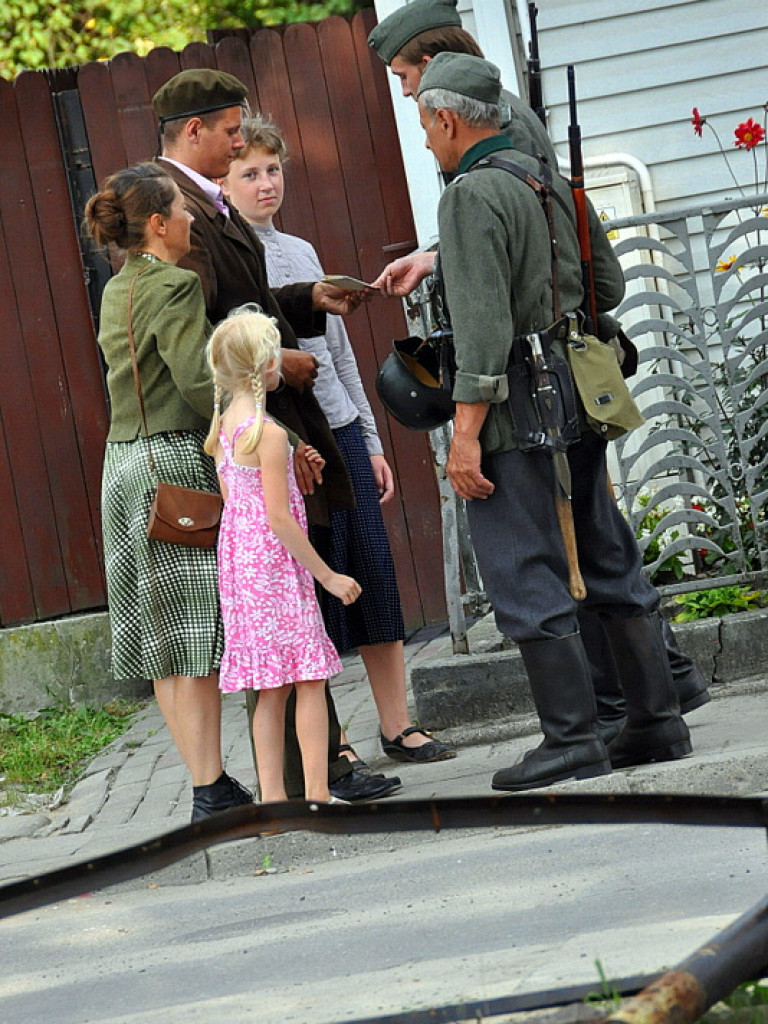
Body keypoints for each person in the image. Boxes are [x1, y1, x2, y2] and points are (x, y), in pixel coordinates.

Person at [368, 0, 709, 737]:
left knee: (532, 560)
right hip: (571, 374)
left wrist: (465, 429)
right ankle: (653, 709)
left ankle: (586, 728)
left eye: (409, 87)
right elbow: (599, 280)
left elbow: (492, 316)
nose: (415, 123)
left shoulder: (483, 172)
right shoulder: (533, 166)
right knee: (598, 542)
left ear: (447, 107)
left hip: (526, 391)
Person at [150, 68, 401, 801]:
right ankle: (316, 777)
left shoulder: (209, 201)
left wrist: (305, 299)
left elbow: (248, 297)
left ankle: (314, 774)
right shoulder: (172, 207)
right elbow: (202, 324)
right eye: (231, 132)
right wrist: (273, 362)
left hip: (279, 411)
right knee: (298, 610)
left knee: (310, 604)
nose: (238, 144)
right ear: (194, 131)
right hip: (255, 418)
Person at [220, 116, 456, 768]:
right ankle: (333, 744)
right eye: (250, 173)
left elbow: (341, 351)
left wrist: (371, 437)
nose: (266, 184)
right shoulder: (229, 259)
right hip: (290, 440)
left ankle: (397, 724)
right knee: (314, 586)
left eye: (273, 171)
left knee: (375, 574)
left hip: (344, 428)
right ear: (223, 181)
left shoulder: (299, 249)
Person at [83, 162, 253, 821]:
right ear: (157, 225)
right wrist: (246, 396)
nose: (190, 219)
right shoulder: (177, 284)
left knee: (161, 637)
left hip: (121, 467)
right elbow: (192, 381)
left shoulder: (116, 288)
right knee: (194, 636)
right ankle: (211, 789)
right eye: (181, 209)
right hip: (170, 466)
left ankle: (207, 782)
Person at [205, 308, 360, 804]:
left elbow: (235, 502)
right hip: (274, 564)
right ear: (265, 366)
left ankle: (272, 799)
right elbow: (279, 518)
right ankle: (316, 792)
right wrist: (329, 575)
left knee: (270, 688)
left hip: (240, 563)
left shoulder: (226, 427)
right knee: (309, 678)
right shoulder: (268, 435)